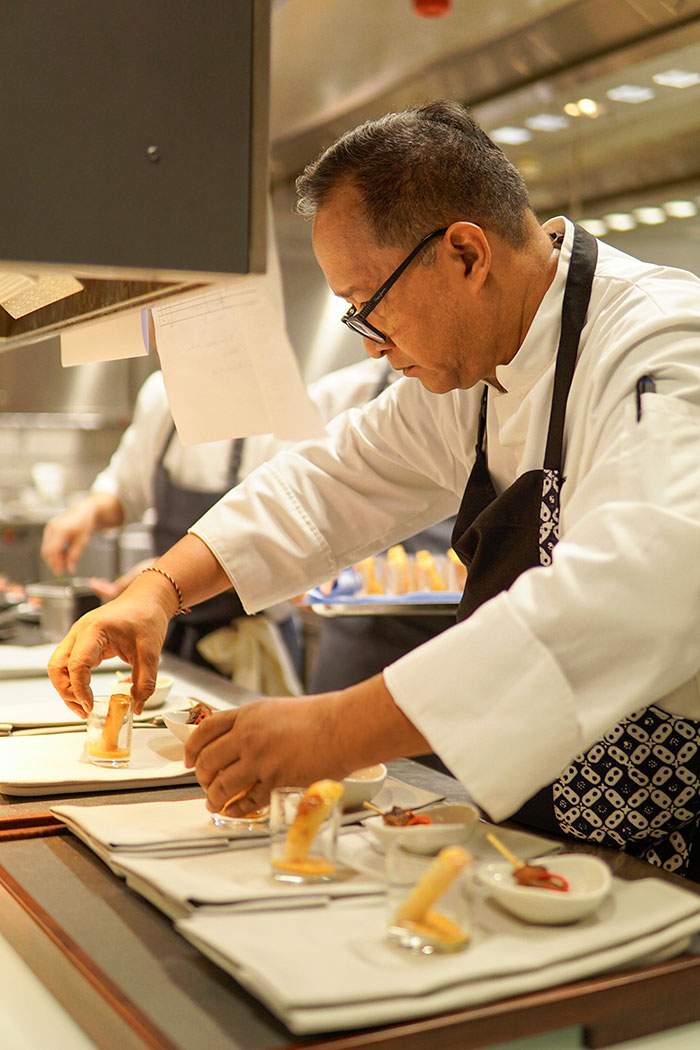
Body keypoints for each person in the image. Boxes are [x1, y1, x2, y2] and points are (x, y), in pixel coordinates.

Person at [49, 100, 700, 878]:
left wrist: (334, 730)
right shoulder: (487, 362)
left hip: (672, 839)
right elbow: (332, 479)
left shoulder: (658, 338)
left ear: (465, 254)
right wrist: (158, 588)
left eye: (371, 307)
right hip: (549, 831)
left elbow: (644, 584)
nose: (371, 348)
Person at [41, 357, 455, 686]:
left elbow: (290, 521)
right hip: (169, 633)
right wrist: (151, 583)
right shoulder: (160, 393)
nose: (373, 347)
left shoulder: (276, 402)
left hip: (248, 636)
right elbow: (294, 504)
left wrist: (154, 585)